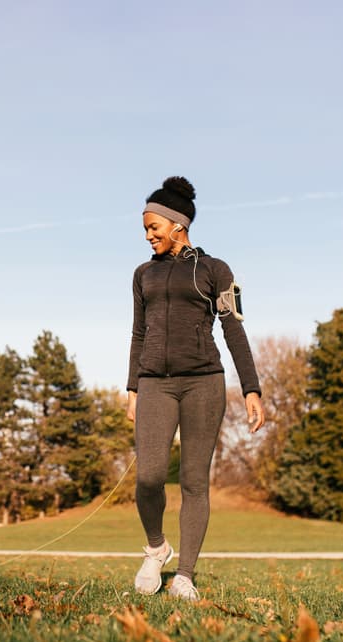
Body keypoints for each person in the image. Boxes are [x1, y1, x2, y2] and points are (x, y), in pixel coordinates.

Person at [126, 175, 265, 601]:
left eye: (154, 227)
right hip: (154, 384)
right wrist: (132, 387)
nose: (148, 235)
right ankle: (156, 548)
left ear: (177, 225)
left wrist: (251, 388)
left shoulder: (214, 270)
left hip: (204, 382)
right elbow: (138, 332)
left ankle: (185, 573)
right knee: (148, 477)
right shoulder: (143, 275)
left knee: (193, 481)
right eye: (146, 228)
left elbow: (234, 331)